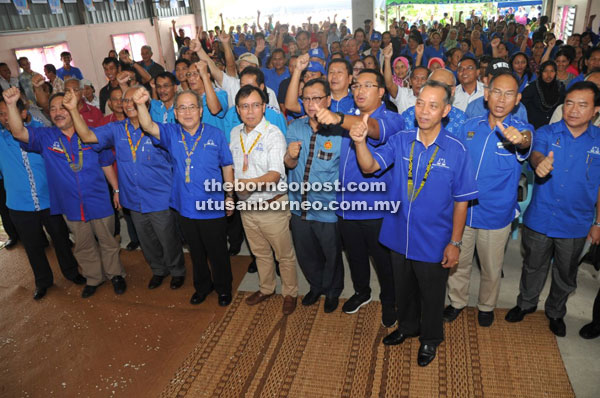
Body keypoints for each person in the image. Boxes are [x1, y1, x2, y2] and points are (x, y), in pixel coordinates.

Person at [349, 80, 477, 367]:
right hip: (397, 232)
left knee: (432, 295)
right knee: (403, 288)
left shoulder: (457, 150)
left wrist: (455, 243)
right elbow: (369, 167)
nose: (424, 111)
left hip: (434, 239)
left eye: (433, 105)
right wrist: (359, 142)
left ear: (446, 110)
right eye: (420, 103)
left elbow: (462, 201)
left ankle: (430, 339)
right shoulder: (401, 139)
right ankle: (407, 327)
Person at [4, 87, 126, 298]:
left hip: (98, 200)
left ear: (74, 109)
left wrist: (116, 190)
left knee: (107, 240)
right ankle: (93, 278)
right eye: (52, 109)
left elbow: (106, 163)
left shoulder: (91, 134)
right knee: (83, 244)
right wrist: (11, 104)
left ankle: (116, 274)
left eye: (63, 107)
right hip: (69, 204)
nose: (57, 112)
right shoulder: (46, 137)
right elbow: (18, 132)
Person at [505, 81, 600, 337]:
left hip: (576, 222)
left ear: (595, 110)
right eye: (569, 103)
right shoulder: (547, 132)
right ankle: (525, 304)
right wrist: (539, 164)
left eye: (582, 105)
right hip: (541, 217)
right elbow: (535, 153)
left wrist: (598, 222)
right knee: (533, 265)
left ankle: (556, 312)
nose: (573, 110)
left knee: (565, 273)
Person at [311, 69, 404, 326]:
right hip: (345, 205)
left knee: (383, 262)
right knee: (355, 256)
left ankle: (390, 301)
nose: (360, 91)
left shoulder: (392, 119)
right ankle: (362, 292)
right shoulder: (347, 116)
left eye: (367, 85)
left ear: (381, 92)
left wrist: (339, 117)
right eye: (356, 86)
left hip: (377, 209)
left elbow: (371, 128)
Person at [70, 85, 186, 291]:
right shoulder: (116, 129)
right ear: (121, 106)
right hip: (133, 197)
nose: (129, 104)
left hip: (160, 197)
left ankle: (177, 271)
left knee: (168, 238)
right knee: (146, 240)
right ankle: (158, 270)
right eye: (126, 100)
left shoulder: (158, 129)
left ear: (145, 103)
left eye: (135, 100)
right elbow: (87, 136)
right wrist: (72, 110)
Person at [444, 72, 533, 327]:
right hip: (462, 211)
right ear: (486, 94)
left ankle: (486, 306)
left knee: (491, 267)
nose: (501, 99)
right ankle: (457, 301)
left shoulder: (522, 129)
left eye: (508, 94)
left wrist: (520, 140)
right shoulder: (469, 127)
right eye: (496, 92)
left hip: (496, 213)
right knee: (458, 262)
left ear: (517, 99)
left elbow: (526, 143)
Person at [134, 87, 234, 307]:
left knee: (217, 252)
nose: (187, 112)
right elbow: (148, 126)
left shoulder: (215, 134)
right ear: (176, 113)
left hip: (212, 205)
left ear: (200, 111)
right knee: (196, 252)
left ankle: (223, 288)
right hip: (184, 205)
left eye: (192, 107)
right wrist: (141, 105)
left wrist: (229, 195)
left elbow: (227, 165)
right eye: (182, 108)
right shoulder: (171, 133)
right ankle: (203, 287)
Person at [0, 96, 85, 299]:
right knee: (33, 246)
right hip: (19, 205)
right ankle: (43, 281)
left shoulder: (43, 132)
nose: (4, 118)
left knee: (61, 239)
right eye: (1, 114)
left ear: (22, 113)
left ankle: (72, 272)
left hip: (50, 199)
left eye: (8, 112)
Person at [284, 79, 343, 313]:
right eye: (306, 98)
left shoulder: (340, 132)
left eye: (317, 98)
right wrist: (290, 155)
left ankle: (333, 291)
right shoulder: (295, 127)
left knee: (332, 255)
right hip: (299, 206)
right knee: (306, 253)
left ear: (328, 100)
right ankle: (316, 286)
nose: (311, 104)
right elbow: (289, 164)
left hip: (327, 208)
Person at [401, 68, 467, 135]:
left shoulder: (461, 119)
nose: (435, 90)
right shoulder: (409, 115)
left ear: (452, 91)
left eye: (442, 87)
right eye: (432, 85)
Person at [522, 60, 565, 129]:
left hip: (554, 127)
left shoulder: (560, 88)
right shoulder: (532, 88)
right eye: (545, 71)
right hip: (534, 127)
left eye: (552, 71)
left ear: (556, 73)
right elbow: (521, 105)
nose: (549, 74)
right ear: (541, 73)